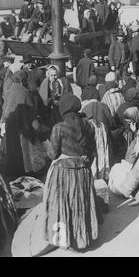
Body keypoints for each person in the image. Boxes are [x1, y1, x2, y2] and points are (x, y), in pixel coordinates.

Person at [42, 94, 99, 251]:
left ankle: (68, 238)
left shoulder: (58, 127)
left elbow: (52, 154)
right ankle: (83, 236)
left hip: (64, 172)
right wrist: (84, 163)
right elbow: (93, 150)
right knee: (81, 203)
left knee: (64, 205)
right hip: (83, 170)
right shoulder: (88, 125)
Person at [0, 70, 38, 180]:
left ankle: (10, 171)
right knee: (22, 150)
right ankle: (21, 172)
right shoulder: (25, 92)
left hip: (9, 123)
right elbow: (30, 112)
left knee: (11, 148)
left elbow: (5, 106)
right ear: (23, 79)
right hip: (21, 125)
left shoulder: (10, 89)